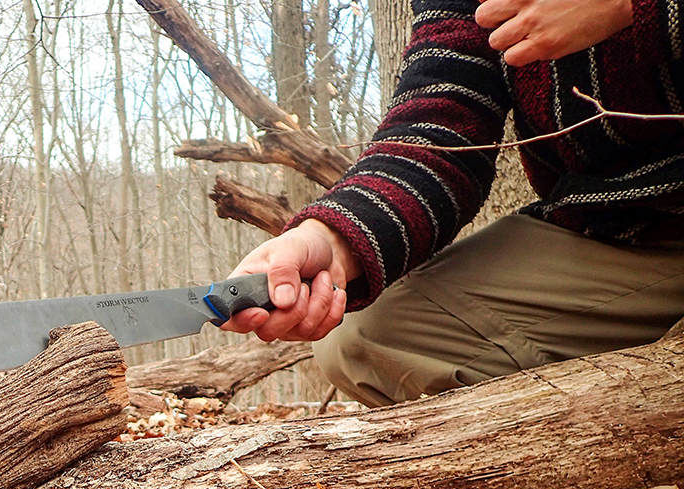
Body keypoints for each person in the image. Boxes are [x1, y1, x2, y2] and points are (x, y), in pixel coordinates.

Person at [223, 0, 684, 407]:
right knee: (363, 339)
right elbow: (440, 129)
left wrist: (634, 7)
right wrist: (331, 239)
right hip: (620, 226)